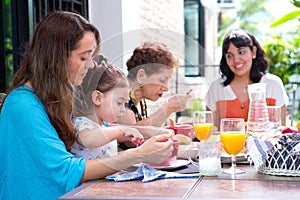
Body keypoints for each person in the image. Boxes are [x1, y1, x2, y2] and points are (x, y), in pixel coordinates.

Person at [0, 11, 174, 199]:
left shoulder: (52, 99)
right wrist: (139, 154)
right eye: (84, 57)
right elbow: (66, 170)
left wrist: (144, 136)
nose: (91, 65)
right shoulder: (22, 106)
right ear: (56, 58)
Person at [205, 29, 288, 130]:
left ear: (253, 52)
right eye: (229, 55)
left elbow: (281, 130)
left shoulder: (273, 85)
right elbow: (209, 133)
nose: (236, 60)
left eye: (241, 52)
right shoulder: (216, 88)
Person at [117, 41, 191, 127]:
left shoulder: (139, 101)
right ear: (141, 76)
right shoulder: (120, 99)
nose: (166, 88)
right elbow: (131, 135)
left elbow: (143, 132)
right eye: (162, 80)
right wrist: (168, 108)